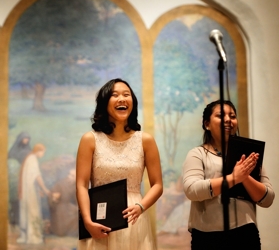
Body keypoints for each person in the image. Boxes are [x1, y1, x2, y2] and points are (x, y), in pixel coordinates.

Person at [76, 78, 163, 250]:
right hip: (98, 219)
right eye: (115, 95)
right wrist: (87, 221)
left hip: (134, 218)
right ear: (104, 103)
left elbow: (158, 185)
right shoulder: (90, 139)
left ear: (133, 103)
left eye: (126, 95)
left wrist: (141, 206)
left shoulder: (145, 140)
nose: (122, 99)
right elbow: (81, 185)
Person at [182, 100, 275, 250]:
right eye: (220, 115)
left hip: (245, 234)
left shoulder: (249, 155)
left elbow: (268, 198)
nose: (228, 120)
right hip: (207, 237)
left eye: (232, 116)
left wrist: (244, 177)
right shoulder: (197, 154)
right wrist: (233, 179)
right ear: (206, 124)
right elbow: (192, 190)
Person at [17, 143, 50, 244]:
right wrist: (45, 189)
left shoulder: (29, 158)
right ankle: (33, 238)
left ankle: (27, 237)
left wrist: (38, 189)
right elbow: (37, 176)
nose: (43, 154)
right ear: (38, 151)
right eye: (43, 152)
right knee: (33, 211)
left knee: (29, 211)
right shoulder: (32, 159)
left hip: (29, 190)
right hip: (30, 192)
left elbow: (29, 178)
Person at [48, 168, 78, 237]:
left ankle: (72, 233)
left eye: (73, 176)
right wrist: (54, 198)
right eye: (69, 175)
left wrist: (78, 207)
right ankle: (62, 232)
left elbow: (76, 199)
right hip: (59, 206)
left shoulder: (74, 186)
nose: (69, 177)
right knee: (63, 214)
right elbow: (51, 195)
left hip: (67, 206)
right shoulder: (60, 184)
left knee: (77, 212)